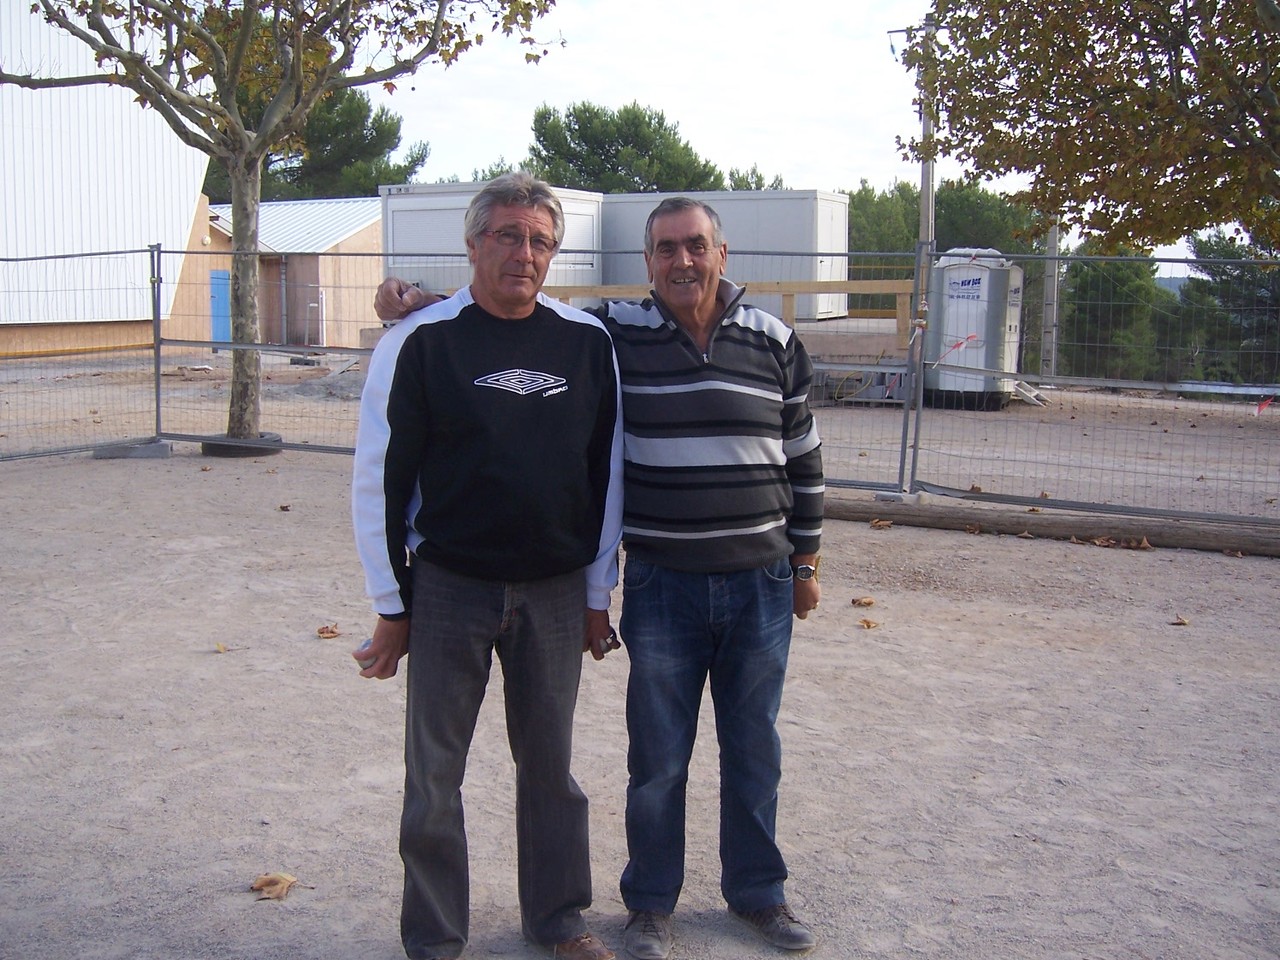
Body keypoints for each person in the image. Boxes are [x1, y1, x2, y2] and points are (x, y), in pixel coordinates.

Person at [375, 195, 824, 960]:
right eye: (664, 250)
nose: (682, 261)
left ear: (722, 253)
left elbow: (804, 457)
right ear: (647, 263)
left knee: (749, 747)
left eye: (695, 246)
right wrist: (417, 300)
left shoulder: (767, 339)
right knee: (648, 760)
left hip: (751, 584)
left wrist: (806, 560)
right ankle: (625, 908)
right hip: (638, 586)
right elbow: (509, 305)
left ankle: (746, 896)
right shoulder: (618, 332)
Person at [352, 172, 623, 960]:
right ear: (473, 243)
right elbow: (380, 476)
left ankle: (560, 920)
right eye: (507, 235)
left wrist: (597, 590)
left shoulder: (587, 342)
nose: (524, 253)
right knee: (433, 778)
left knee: (552, 770)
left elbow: (606, 475)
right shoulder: (420, 340)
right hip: (448, 591)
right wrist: (391, 602)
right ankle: (435, 937)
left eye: (540, 240)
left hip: (552, 591)